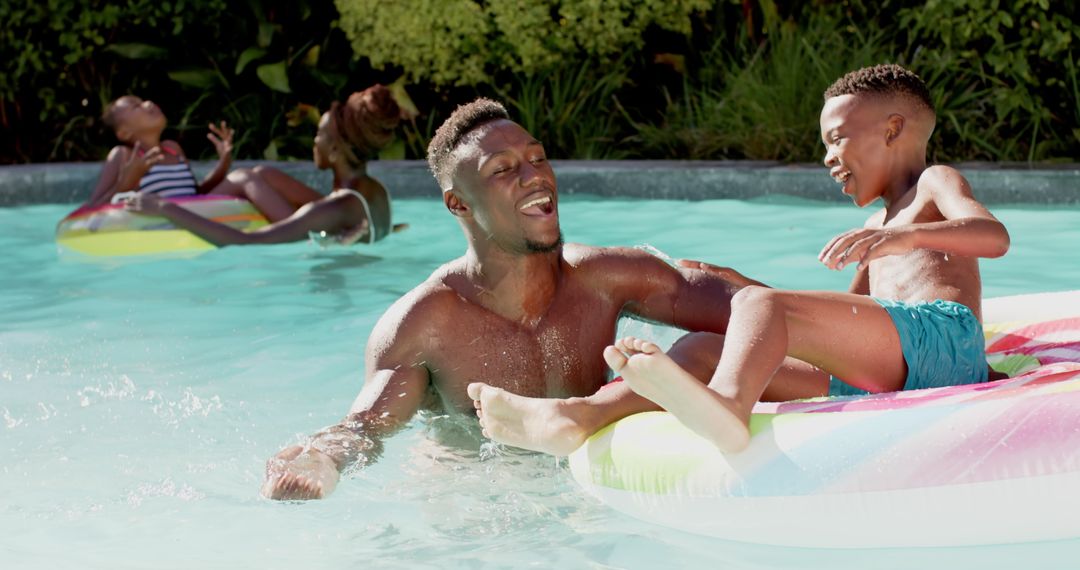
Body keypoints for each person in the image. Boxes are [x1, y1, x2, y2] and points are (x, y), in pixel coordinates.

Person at [259, 98, 753, 500]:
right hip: (476, 500)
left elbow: (754, 311)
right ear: (458, 203)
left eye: (538, 158)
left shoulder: (608, 278)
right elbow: (365, 427)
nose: (534, 176)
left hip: (588, 483)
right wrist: (323, 457)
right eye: (503, 169)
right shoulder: (427, 322)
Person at [593, 63, 1011, 453]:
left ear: (892, 129)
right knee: (703, 346)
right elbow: (844, 318)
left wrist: (906, 236)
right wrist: (745, 288)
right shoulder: (874, 227)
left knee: (761, 305)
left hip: (947, 343)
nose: (827, 157)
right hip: (890, 370)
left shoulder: (933, 183)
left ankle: (729, 406)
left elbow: (995, 238)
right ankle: (587, 412)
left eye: (836, 138)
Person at [124, 85, 407, 246]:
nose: (314, 141)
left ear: (334, 150)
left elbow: (243, 242)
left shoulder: (330, 209)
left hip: (333, 293)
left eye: (319, 135)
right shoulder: (376, 191)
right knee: (260, 175)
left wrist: (165, 208)